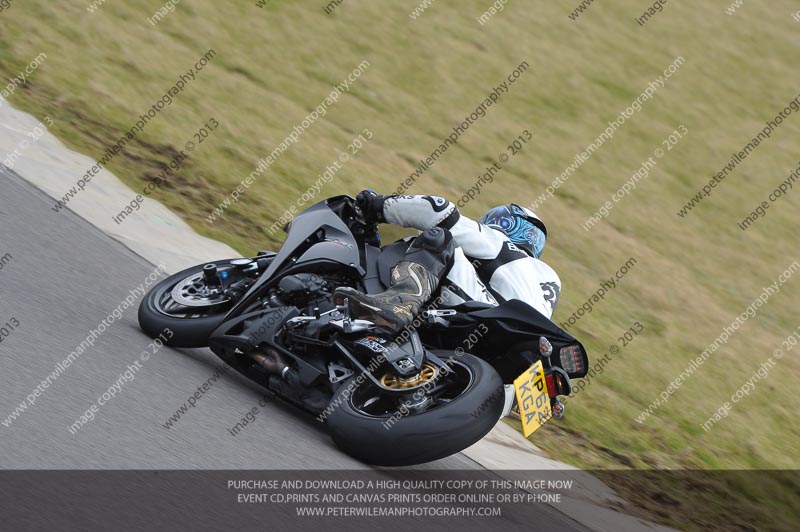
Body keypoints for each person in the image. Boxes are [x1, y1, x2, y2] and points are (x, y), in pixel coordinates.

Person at [334, 191, 561, 333]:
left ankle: (399, 303)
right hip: (518, 341)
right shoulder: (550, 279)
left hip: (488, 315)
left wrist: (377, 206)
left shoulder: (498, 241)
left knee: (439, 237)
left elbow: (439, 211)